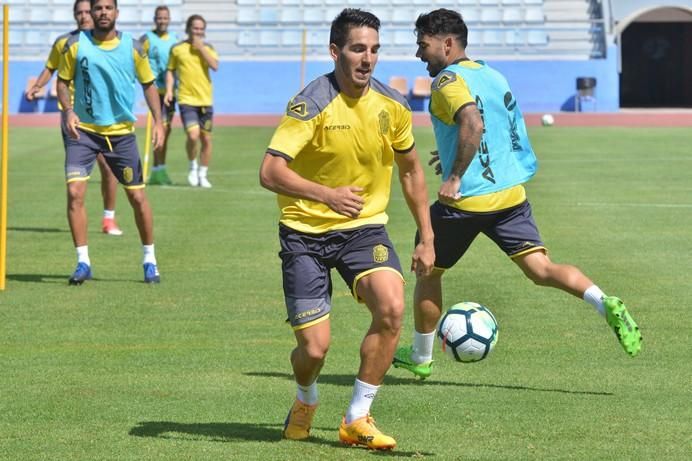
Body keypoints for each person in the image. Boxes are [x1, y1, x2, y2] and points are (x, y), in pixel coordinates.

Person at [392, 9, 642, 380]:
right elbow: (496, 128)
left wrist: (456, 176)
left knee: (428, 271)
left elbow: (473, 122)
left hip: (467, 202)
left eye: (423, 45)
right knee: (541, 269)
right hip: (510, 196)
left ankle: (421, 356)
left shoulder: (446, 80)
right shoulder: (492, 74)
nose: (419, 54)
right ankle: (604, 303)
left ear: (447, 44)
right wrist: (449, 155)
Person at [259, 8, 435, 450]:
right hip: (304, 233)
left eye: (374, 50)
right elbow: (269, 172)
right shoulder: (311, 103)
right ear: (335, 51)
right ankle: (305, 398)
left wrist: (427, 236)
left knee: (392, 307)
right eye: (358, 48)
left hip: (363, 230)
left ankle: (357, 416)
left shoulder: (393, 105)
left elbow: (412, 171)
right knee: (314, 350)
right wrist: (326, 194)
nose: (367, 59)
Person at [57, 0, 164, 284]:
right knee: (76, 194)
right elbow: (62, 80)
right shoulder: (75, 46)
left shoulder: (133, 47)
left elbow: (149, 85)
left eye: (108, 7)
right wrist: (68, 110)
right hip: (84, 133)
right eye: (98, 8)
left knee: (137, 197)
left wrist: (160, 122)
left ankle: (150, 259)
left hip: (121, 135)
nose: (103, 12)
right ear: (90, 14)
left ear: (116, 12)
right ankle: (83, 262)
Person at [26, 0, 123, 236]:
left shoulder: (105, 42)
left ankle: (109, 219)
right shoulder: (64, 42)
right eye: (78, 13)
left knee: (109, 169)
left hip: (102, 115)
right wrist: (38, 86)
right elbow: (51, 67)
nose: (83, 16)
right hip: (72, 117)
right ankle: (79, 215)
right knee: (78, 175)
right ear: (74, 16)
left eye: (86, 12)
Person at [165, 14, 218, 188]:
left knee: (207, 139)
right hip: (186, 99)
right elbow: (170, 71)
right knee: (193, 135)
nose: (198, 31)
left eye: (201, 29)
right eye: (195, 28)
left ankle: (203, 174)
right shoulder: (177, 48)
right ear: (188, 29)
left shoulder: (208, 47)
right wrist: (169, 90)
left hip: (205, 100)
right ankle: (192, 166)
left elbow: (215, 66)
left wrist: (201, 48)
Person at [140, 5, 177, 186]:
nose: (162, 21)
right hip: (154, 91)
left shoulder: (175, 40)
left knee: (166, 132)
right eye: (159, 18)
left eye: (165, 18)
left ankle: (159, 168)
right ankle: (156, 170)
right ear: (155, 19)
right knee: (156, 130)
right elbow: (136, 57)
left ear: (169, 19)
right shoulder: (147, 39)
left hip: (170, 93)